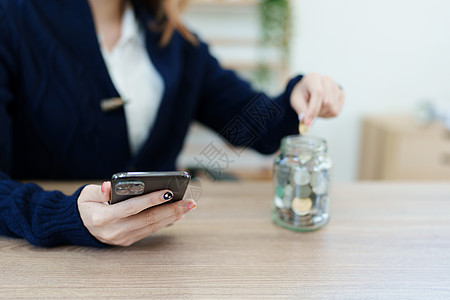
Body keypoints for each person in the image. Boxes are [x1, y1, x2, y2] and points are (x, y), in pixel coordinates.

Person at [0, 0, 345, 247]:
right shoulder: (12, 21)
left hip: (160, 253)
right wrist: (63, 216)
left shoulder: (175, 42)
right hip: (49, 260)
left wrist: (296, 96)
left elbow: (252, 125)